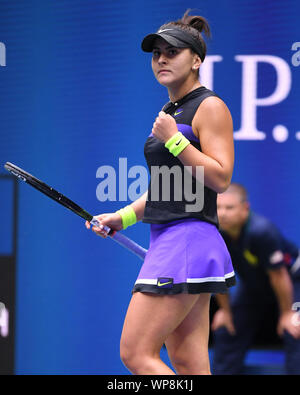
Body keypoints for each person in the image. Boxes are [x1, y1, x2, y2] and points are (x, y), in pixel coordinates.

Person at [86, 10, 235, 375]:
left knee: (136, 354)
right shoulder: (171, 111)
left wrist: (174, 139)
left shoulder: (209, 107)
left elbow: (220, 178)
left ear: (196, 60)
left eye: (173, 51)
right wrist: (121, 217)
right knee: (188, 364)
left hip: (187, 241)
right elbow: (165, 189)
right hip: (173, 239)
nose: (162, 59)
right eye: (157, 53)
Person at [211, 183, 300, 375]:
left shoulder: (262, 231)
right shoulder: (216, 234)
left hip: (292, 284)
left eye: (229, 208)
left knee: (295, 329)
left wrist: (286, 314)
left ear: (245, 208)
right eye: (218, 207)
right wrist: (225, 311)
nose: (223, 213)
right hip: (254, 288)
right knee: (226, 328)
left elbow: (279, 275)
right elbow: (219, 276)